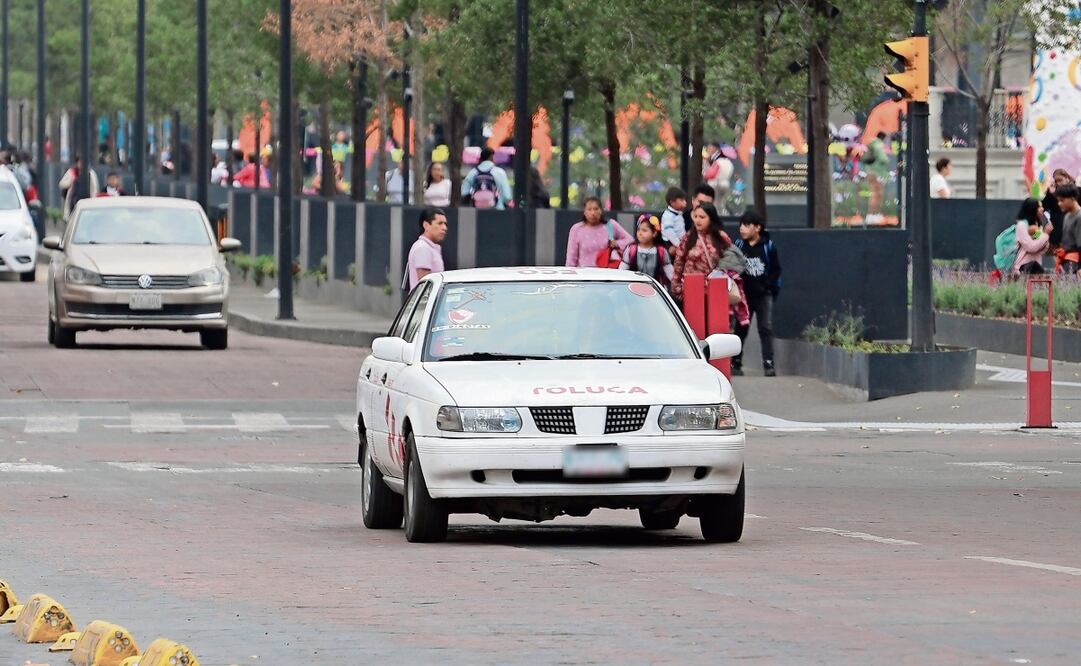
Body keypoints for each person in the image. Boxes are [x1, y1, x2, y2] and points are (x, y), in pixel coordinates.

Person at [733, 209, 782, 377]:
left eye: (746, 225)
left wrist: (768, 286)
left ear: (757, 228)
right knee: (741, 328)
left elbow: (776, 270)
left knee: (765, 328)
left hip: (763, 295)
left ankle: (768, 364)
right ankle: (736, 362)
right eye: (741, 225)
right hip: (744, 295)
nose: (742, 229)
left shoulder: (768, 246)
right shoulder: (738, 245)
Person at [671, 202, 747, 301]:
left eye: (702, 217)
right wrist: (677, 287)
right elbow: (679, 262)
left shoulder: (721, 237)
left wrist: (721, 271)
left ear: (711, 218)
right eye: (696, 216)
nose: (698, 220)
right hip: (691, 289)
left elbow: (731, 259)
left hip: (715, 289)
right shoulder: (688, 237)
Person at [565, 197, 633, 268]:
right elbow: (571, 259)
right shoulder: (576, 229)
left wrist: (617, 243)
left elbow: (630, 240)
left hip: (606, 274)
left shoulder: (610, 225)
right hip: (584, 274)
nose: (593, 213)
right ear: (584, 212)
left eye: (596, 209)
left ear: (601, 210)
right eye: (589, 209)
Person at [619, 214, 673, 285]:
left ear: (654, 233)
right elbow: (622, 271)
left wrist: (676, 285)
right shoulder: (631, 250)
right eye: (638, 230)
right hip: (633, 289)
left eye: (644, 230)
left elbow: (670, 272)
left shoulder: (661, 251)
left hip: (655, 291)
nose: (640, 233)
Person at [403, 207, 448, 291]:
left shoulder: (429, 247)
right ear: (426, 225)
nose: (444, 228)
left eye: (445, 224)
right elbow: (426, 285)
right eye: (440, 223)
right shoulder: (423, 248)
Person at [1013, 199, 1052, 276]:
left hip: (1036, 266)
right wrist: (1046, 235)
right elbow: (1031, 247)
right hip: (1023, 267)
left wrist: (1044, 236)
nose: (1042, 209)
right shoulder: (1021, 226)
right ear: (1032, 209)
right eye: (1039, 207)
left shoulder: (1037, 226)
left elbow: (1041, 248)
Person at [1042, 168, 1073, 248]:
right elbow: (1043, 207)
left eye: (1060, 180)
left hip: (1073, 234)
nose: (1058, 183)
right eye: (1056, 181)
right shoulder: (1053, 194)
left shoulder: (1077, 191)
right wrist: (1049, 194)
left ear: (1067, 178)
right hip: (1057, 234)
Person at [864, 132, 890, 224]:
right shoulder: (878, 144)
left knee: (874, 193)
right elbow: (883, 158)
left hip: (871, 171)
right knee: (877, 194)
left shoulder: (872, 143)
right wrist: (887, 158)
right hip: (877, 172)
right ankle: (873, 215)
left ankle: (872, 215)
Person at [1055, 185, 1081, 274]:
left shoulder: (1079, 216)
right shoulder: (1067, 216)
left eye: (1062, 200)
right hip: (1066, 261)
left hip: (1076, 263)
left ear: (1073, 198)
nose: (1059, 203)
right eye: (1058, 201)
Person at [703, 142, 734, 211]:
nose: (708, 149)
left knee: (715, 202)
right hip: (725, 184)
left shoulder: (717, 162)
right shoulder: (729, 163)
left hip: (716, 184)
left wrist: (705, 173)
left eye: (710, 147)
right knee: (722, 202)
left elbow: (711, 174)